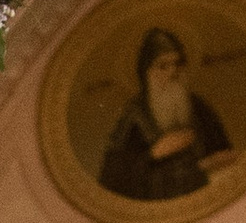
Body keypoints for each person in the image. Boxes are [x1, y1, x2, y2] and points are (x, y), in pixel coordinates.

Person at [97, 26, 235, 204]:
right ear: (147, 73)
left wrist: (217, 160)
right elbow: (110, 180)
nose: (173, 72)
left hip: (204, 198)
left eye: (178, 64)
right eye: (163, 66)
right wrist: (153, 154)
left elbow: (223, 151)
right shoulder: (134, 115)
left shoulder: (198, 107)